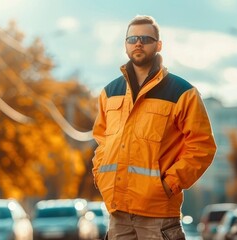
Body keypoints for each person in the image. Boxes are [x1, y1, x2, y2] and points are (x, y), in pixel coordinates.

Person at [91, 15, 217, 239]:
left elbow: (202, 146)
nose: (138, 43)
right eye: (132, 39)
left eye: (145, 38)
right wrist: (101, 176)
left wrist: (169, 185)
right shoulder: (109, 92)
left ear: (158, 45)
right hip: (118, 213)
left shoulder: (182, 93)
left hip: (158, 216)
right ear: (125, 45)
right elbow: (102, 142)